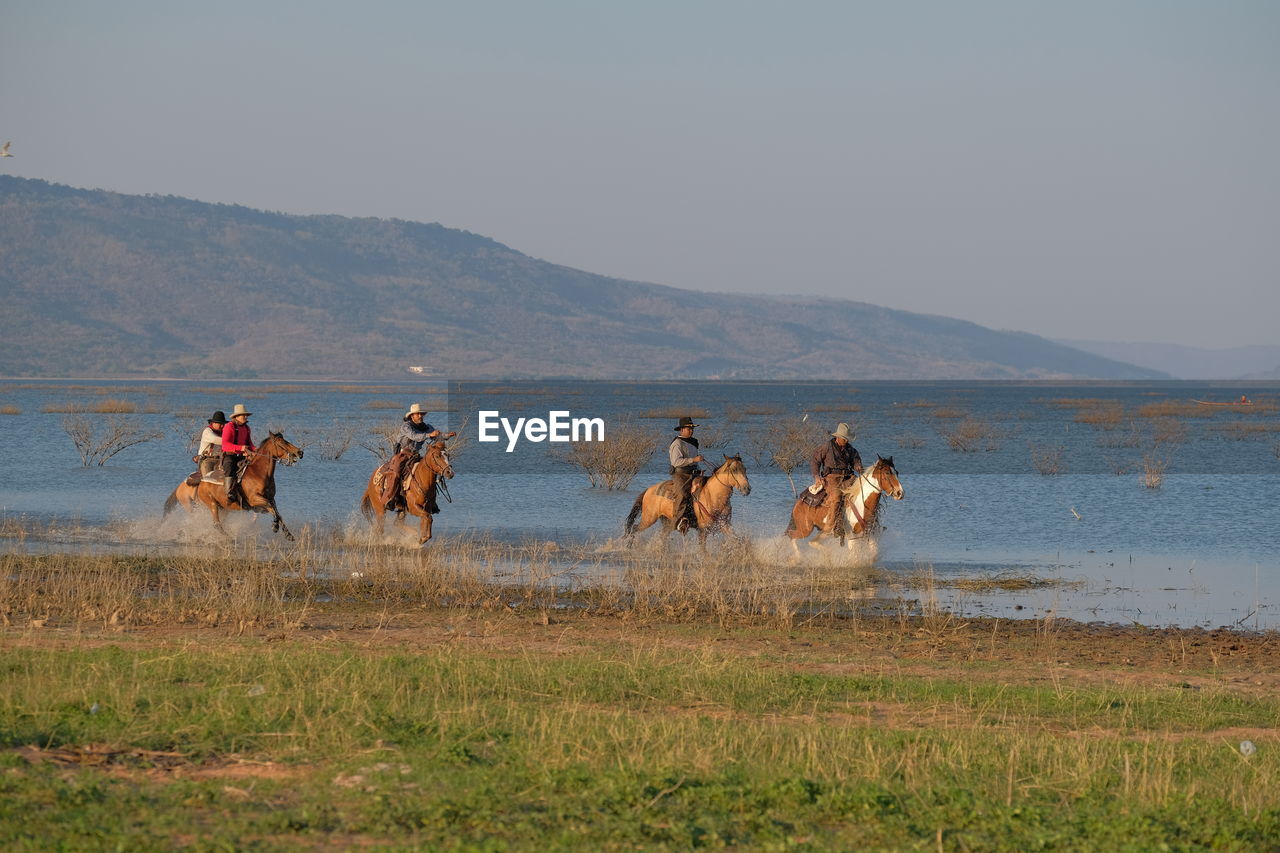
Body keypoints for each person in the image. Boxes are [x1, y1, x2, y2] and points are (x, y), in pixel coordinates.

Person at [379, 403, 456, 509]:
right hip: (402, 455)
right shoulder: (406, 426)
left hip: (415, 455)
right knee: (396, 473)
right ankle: (390, 499)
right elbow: (414, 436)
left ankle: (431, 502)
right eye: (418, 414)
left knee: (430, 470)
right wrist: (429, 435)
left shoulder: (425, 427)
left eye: (421, 414)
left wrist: (447, 435)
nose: (420, 416)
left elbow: (437, 436)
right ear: (412, 416)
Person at [809, 422, 863, 536]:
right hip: (831, 479)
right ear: (838, 437)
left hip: (848, 478)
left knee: (863, 491)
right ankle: (832, 526)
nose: (847, 441)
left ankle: (868, 521)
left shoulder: (851, 450)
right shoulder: (826, 447)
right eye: (844, 439)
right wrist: (817, 476)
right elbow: (815, 460)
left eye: (847, 439)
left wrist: (858, 466)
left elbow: (856, 461)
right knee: (837, 496)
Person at [668, 416, 705, 533]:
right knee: (682, 494)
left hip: (694, 474)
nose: (692, 430)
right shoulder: (677, 443)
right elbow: (676, 462)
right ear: (682, 429)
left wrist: (699, 469)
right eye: (689, 428)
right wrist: (693, 460)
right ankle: (678, 521)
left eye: (692, 428)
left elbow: (695, 461)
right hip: (681, 475)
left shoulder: (693, 442)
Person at [220, 404, 256, 504]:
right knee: (229, 466)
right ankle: (229, 492)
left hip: (241, 456)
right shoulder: (229, 426)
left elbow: (250, 443)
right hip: (230, 455)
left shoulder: (247, 428)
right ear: (236, 417)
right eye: (243, 415)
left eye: (246, 415)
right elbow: (225, 445)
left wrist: (256, 451)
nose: (245, 417)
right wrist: (240, 448)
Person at [196, 410, 227, 483]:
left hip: (220, 460)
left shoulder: (222, 432)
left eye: (223, 424)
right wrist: (230, 442)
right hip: (207, 460)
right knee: (208, 482)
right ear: (214, 423)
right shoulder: (207, 431)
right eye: (220, 424)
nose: (222, 426)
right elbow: (215, 439)